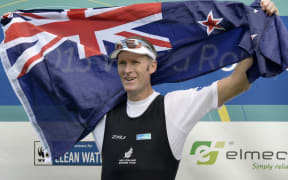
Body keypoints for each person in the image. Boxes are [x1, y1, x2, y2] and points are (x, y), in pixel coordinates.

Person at [92, 0, 279, 179]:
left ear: (152, 66)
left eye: (135, 62)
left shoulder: (174, 107)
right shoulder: (102, 115)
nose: (127, 70)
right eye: (122, 63)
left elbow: (238, 82)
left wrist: (261, 23)